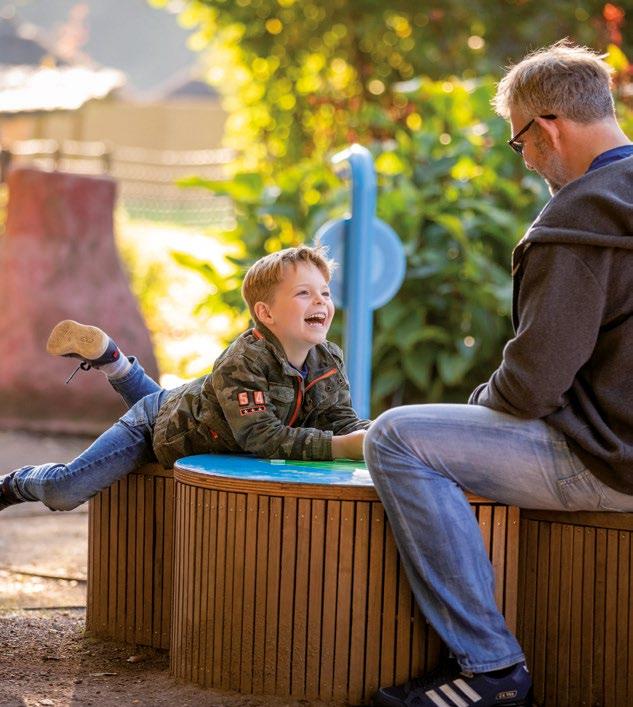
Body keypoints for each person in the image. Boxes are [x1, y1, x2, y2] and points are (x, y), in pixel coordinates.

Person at [364, 40, 633, 707]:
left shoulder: (581, 214)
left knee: (397, 436)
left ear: (547, 128)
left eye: (520, 143)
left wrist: (482, 397)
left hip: (607, 463)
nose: (527, 161)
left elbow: (532, 386)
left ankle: (491, 669)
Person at [0, 245, 370, 513]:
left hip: (188, 415)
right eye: (304, 293)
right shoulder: (243, 361)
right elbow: (262, 437)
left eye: (325, 293)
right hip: (154, 427)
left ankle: (112, 360)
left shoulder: (327, 359)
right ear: (266, 313)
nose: (320, 301)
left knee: (173, 406)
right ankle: (11, 483)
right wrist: (340, 447)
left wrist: (380, 434)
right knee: (65, 491)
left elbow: (339, 419)